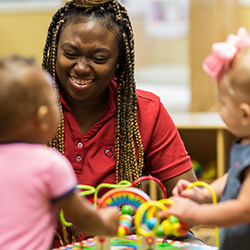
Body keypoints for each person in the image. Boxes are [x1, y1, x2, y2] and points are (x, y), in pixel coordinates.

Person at [42, 0, 200, 246]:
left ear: (118, 61)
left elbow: (191, 200)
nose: (81, 67)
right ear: (55, 49)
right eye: (70, 54)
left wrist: (147, 219)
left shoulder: (145, 111)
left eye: (99, 57)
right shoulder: (31, 108)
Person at [0, 55, 120, 250]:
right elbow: (82, 218)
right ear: (43, 116)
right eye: (55, 102)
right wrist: (106, 221)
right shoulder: (48, 163)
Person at [167, 27, 250, 250]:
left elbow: (244, 208)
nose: (219, 110)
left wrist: (196, 212)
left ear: (244, 113)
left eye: (223, 104)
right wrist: (204, 193)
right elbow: (233, 175)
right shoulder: (245, 142)